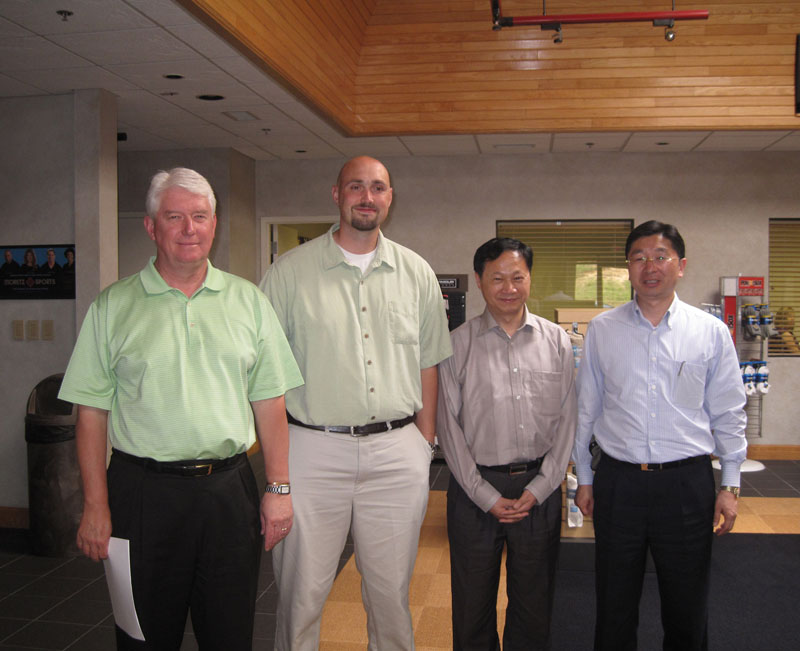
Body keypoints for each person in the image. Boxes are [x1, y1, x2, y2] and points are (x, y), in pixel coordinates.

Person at [58, 168, 303, 650]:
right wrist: (95, 505)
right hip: (140, 494)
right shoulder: (112, 307)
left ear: (214, 224)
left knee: (229, 635)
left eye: (200, 216)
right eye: (174, 217)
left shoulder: (249, 302)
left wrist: (279, 489)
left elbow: (270, 401)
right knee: (142, 637)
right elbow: (90, 415)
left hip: (228, 493)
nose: (189, 229)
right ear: (152, 227)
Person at [259, 155, 452, 650]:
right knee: (302, 596)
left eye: (378, 188)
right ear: (337, 194)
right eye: (356, 187)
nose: (367, 197)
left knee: (391, 598)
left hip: (396, 451)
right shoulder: (289, 274)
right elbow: (266, 378)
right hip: (312, 451)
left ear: (390, 197)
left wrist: (424, 442)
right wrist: (277, 475)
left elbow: (428, 362)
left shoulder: (416, 273)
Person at [573, 220, 747, 651]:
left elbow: (728, 410)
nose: (649, 266)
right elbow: (586, 409)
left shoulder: (709, 332)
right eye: (639, 258)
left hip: (686, 484)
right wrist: (585, 479)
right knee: (614, 604)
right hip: (620, 483)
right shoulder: (603, 329)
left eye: (660, 256)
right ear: (628, 268)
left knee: (687, 607)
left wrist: (730, 484)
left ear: (681, 265)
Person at [437, 238, 576, 651]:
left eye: (518, 277)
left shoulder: (557, 341)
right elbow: (448, 427)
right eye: (497, 278)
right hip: (474, 489)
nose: (509, 288)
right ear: (479, 280)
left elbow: (568, 420)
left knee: (534, 607)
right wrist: (484, 494)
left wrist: (542, 486)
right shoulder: (456, 345)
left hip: (538, 489)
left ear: (530, 279)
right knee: (471, 607)